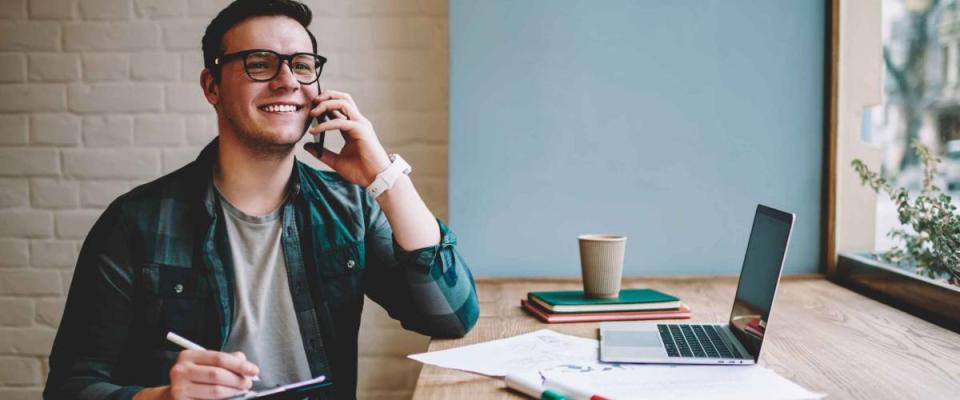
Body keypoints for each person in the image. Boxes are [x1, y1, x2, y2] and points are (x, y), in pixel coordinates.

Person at [43, 1, 479, 399]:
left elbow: (449, 315)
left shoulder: (350, 209)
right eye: (259, 64)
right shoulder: (135, 222)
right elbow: (70, 386)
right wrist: (163, 398)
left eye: (302, 65)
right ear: (212, 86)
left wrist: (385, 176)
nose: (287, 81)